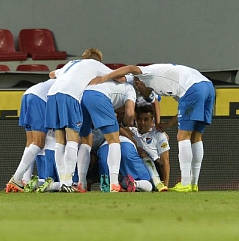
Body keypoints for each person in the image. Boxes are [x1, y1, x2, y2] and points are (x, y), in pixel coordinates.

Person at [90, 63, 215, 192]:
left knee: (183, 136)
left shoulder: (142, 74)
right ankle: (194, 184)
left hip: (193, 87)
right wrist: (168, 124)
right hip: (207, 86)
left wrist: (104, 77)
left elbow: (129, 69)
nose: (141, 93)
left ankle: (186, 182)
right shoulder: (164, 87)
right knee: (196, 136)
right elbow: (181, 109)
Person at [45, 48, 120, 192]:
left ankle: (62, 182)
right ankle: (68, 182)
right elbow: (119, 77)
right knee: (72, 139)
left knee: (60, 141)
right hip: (70, 95)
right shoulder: (95, 64)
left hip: (52, 94)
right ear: (97, 60)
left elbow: (51, 74)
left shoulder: (71, 63)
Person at [76, 77, 136, 192]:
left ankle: (81, 183)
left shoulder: (109, 82)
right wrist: (123, 123)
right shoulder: (130, 88)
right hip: (99, 96)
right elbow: (130, 112)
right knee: (114, 141)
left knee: (85, 142)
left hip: (83, 95)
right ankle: (114, 184)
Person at [5, 79, 56, 193]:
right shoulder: (75, 82)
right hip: (40, 98)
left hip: (28, 94)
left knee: (31, 142)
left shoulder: (64, 73)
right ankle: (17, 178)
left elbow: (51, 74)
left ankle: (25, 180)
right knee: (39, 142)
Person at [130, 105, 170, 189]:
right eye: (139, 119)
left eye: (146, 119)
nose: (142, 122)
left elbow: (165, 161)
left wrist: (166, 185)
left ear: (152, 120)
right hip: (136, 169)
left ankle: (157, 184)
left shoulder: (159, 135)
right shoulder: (131, 132)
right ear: (135, 119)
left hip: (155, 171)